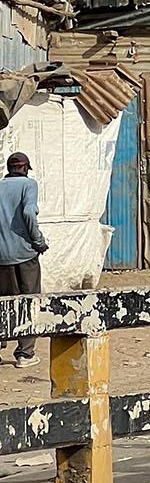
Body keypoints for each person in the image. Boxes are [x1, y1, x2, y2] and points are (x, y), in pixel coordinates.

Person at [0, 153, 48, 366]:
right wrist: (38, 241)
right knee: (29, 301)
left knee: (3, 303)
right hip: (25, 254)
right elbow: (29, 212)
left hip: (1, 257)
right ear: (26, 168)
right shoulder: (29, 185)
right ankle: (24, 354)